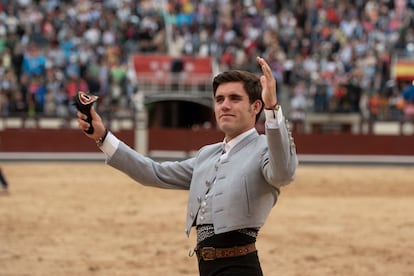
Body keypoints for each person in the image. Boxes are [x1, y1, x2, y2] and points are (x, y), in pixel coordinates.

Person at [77, 56, 298, 275]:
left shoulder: (264, 149)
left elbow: (282, 174)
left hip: (241, 268)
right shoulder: (207, 155)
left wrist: (273, 109)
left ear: (255, 106)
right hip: (206, 268)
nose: (225, 106)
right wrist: (103, 137)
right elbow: (154, 173)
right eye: (219, 99)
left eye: (234, 98)